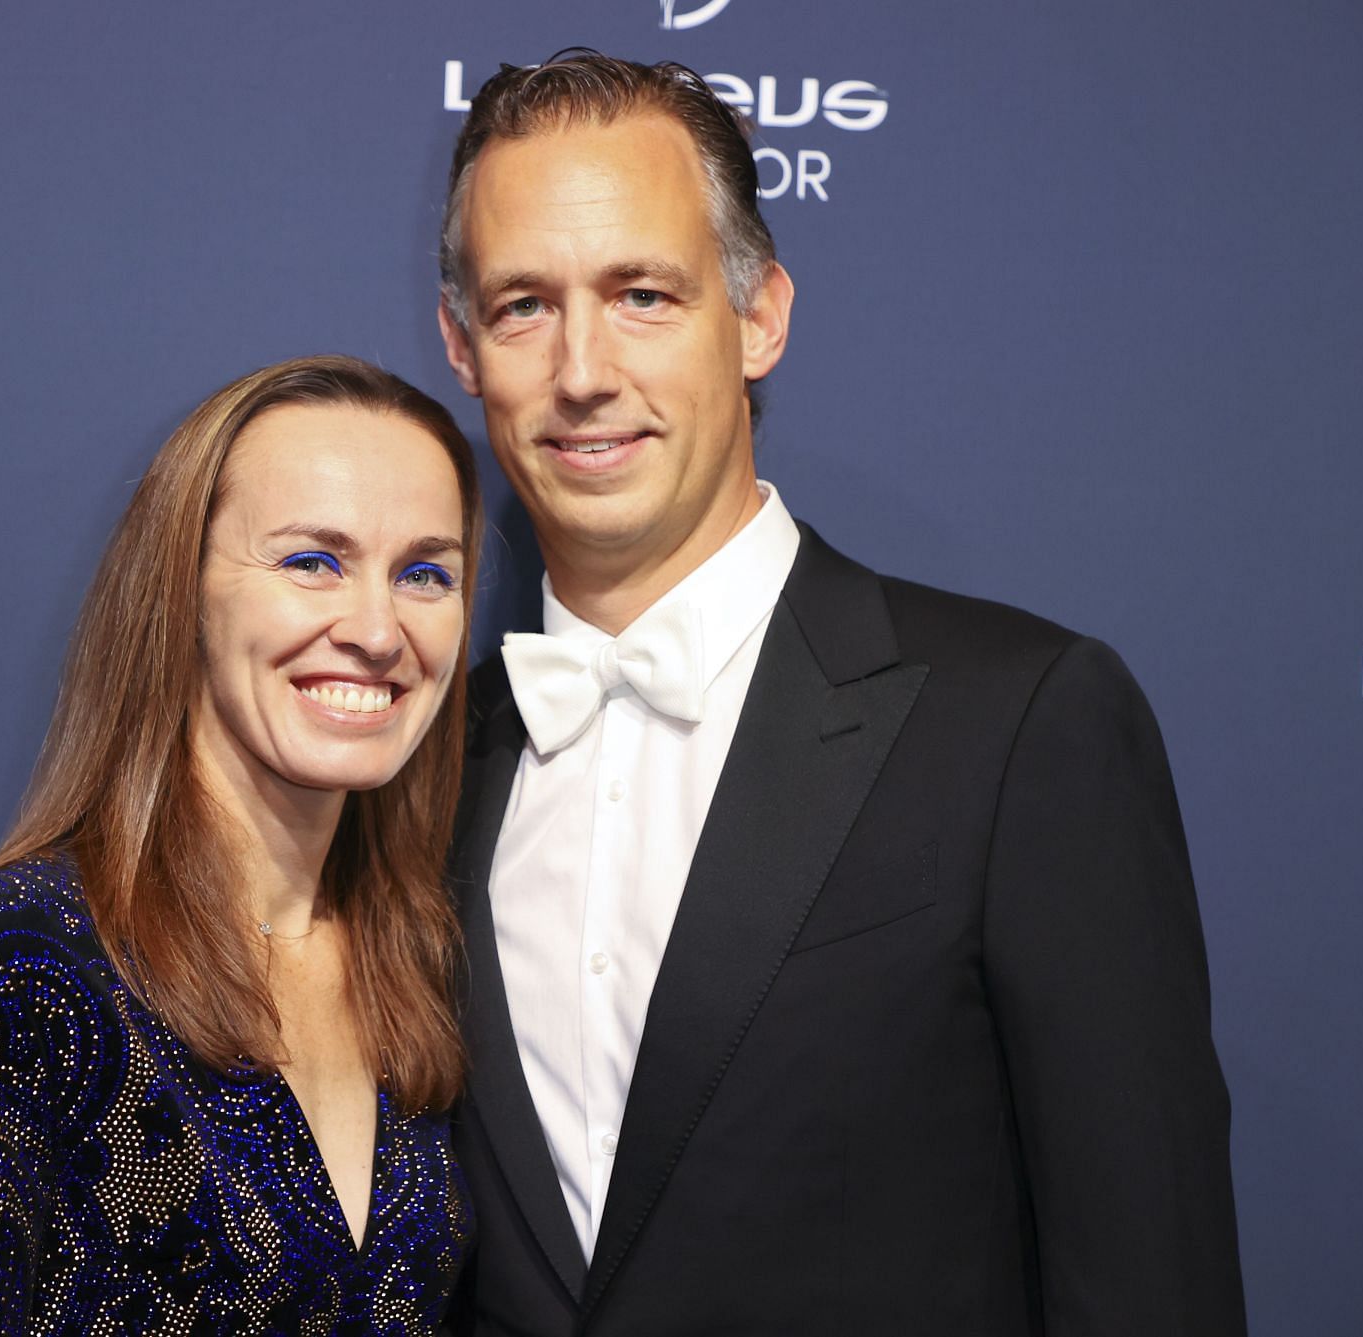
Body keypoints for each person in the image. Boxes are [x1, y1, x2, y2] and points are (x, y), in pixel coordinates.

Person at [434, 54, 1246, 1335]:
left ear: (759, 317)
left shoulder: (1021, 722)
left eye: (643, 293)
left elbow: (1151, 1281)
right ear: (463, 347)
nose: (582, 369)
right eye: (525, 304)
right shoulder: (421, 768)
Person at [0, 355, 483, 1334]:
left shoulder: (421, 965)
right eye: (314, 560)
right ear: (183, 591)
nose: (380, 630)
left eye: (425, 572)